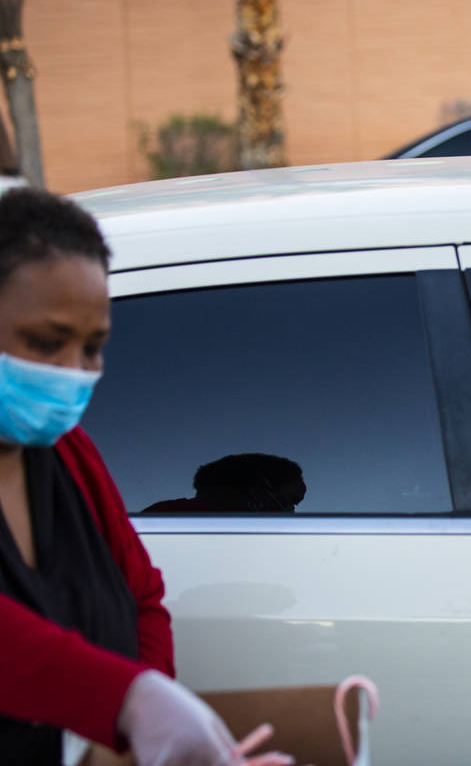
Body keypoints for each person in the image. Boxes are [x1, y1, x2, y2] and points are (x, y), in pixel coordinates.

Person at [0, 188, 291, 765]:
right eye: (46, 343)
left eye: (93, 348)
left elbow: (144, 600)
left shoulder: (71, 456)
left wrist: (140, 738)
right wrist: (125, 700)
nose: (73, 374)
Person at [142, 454, 307, 514]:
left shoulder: (154, 518)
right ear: (258, 494)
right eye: (290, 502)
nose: (290, 513)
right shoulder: (245, 542)